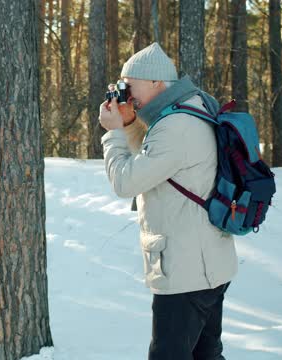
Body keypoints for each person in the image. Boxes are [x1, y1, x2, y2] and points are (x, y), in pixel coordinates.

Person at [99, 43, 237, 360]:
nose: (125, 94)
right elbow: (154, 163)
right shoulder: (193, 106)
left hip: (186, 270)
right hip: (208, 263)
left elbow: (126, 182)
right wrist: (131, 123)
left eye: (129, 86)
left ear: (156, 83)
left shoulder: (175, 126)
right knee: (205, 354)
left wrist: (113, 133)